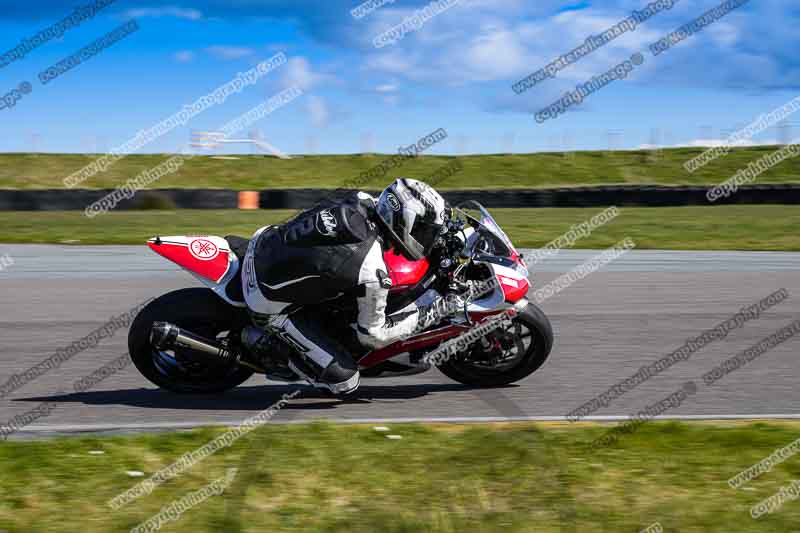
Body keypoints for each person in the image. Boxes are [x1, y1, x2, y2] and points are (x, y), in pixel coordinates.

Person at [240, 178, 464, 395]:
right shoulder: (370, 268)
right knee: (345, 380)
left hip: (263, 241)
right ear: (405, 223)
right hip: (266, 298)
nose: (428, 238)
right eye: (425, 232)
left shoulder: (359, 199)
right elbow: (373, 337)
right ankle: (270, 346)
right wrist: (435, 312)